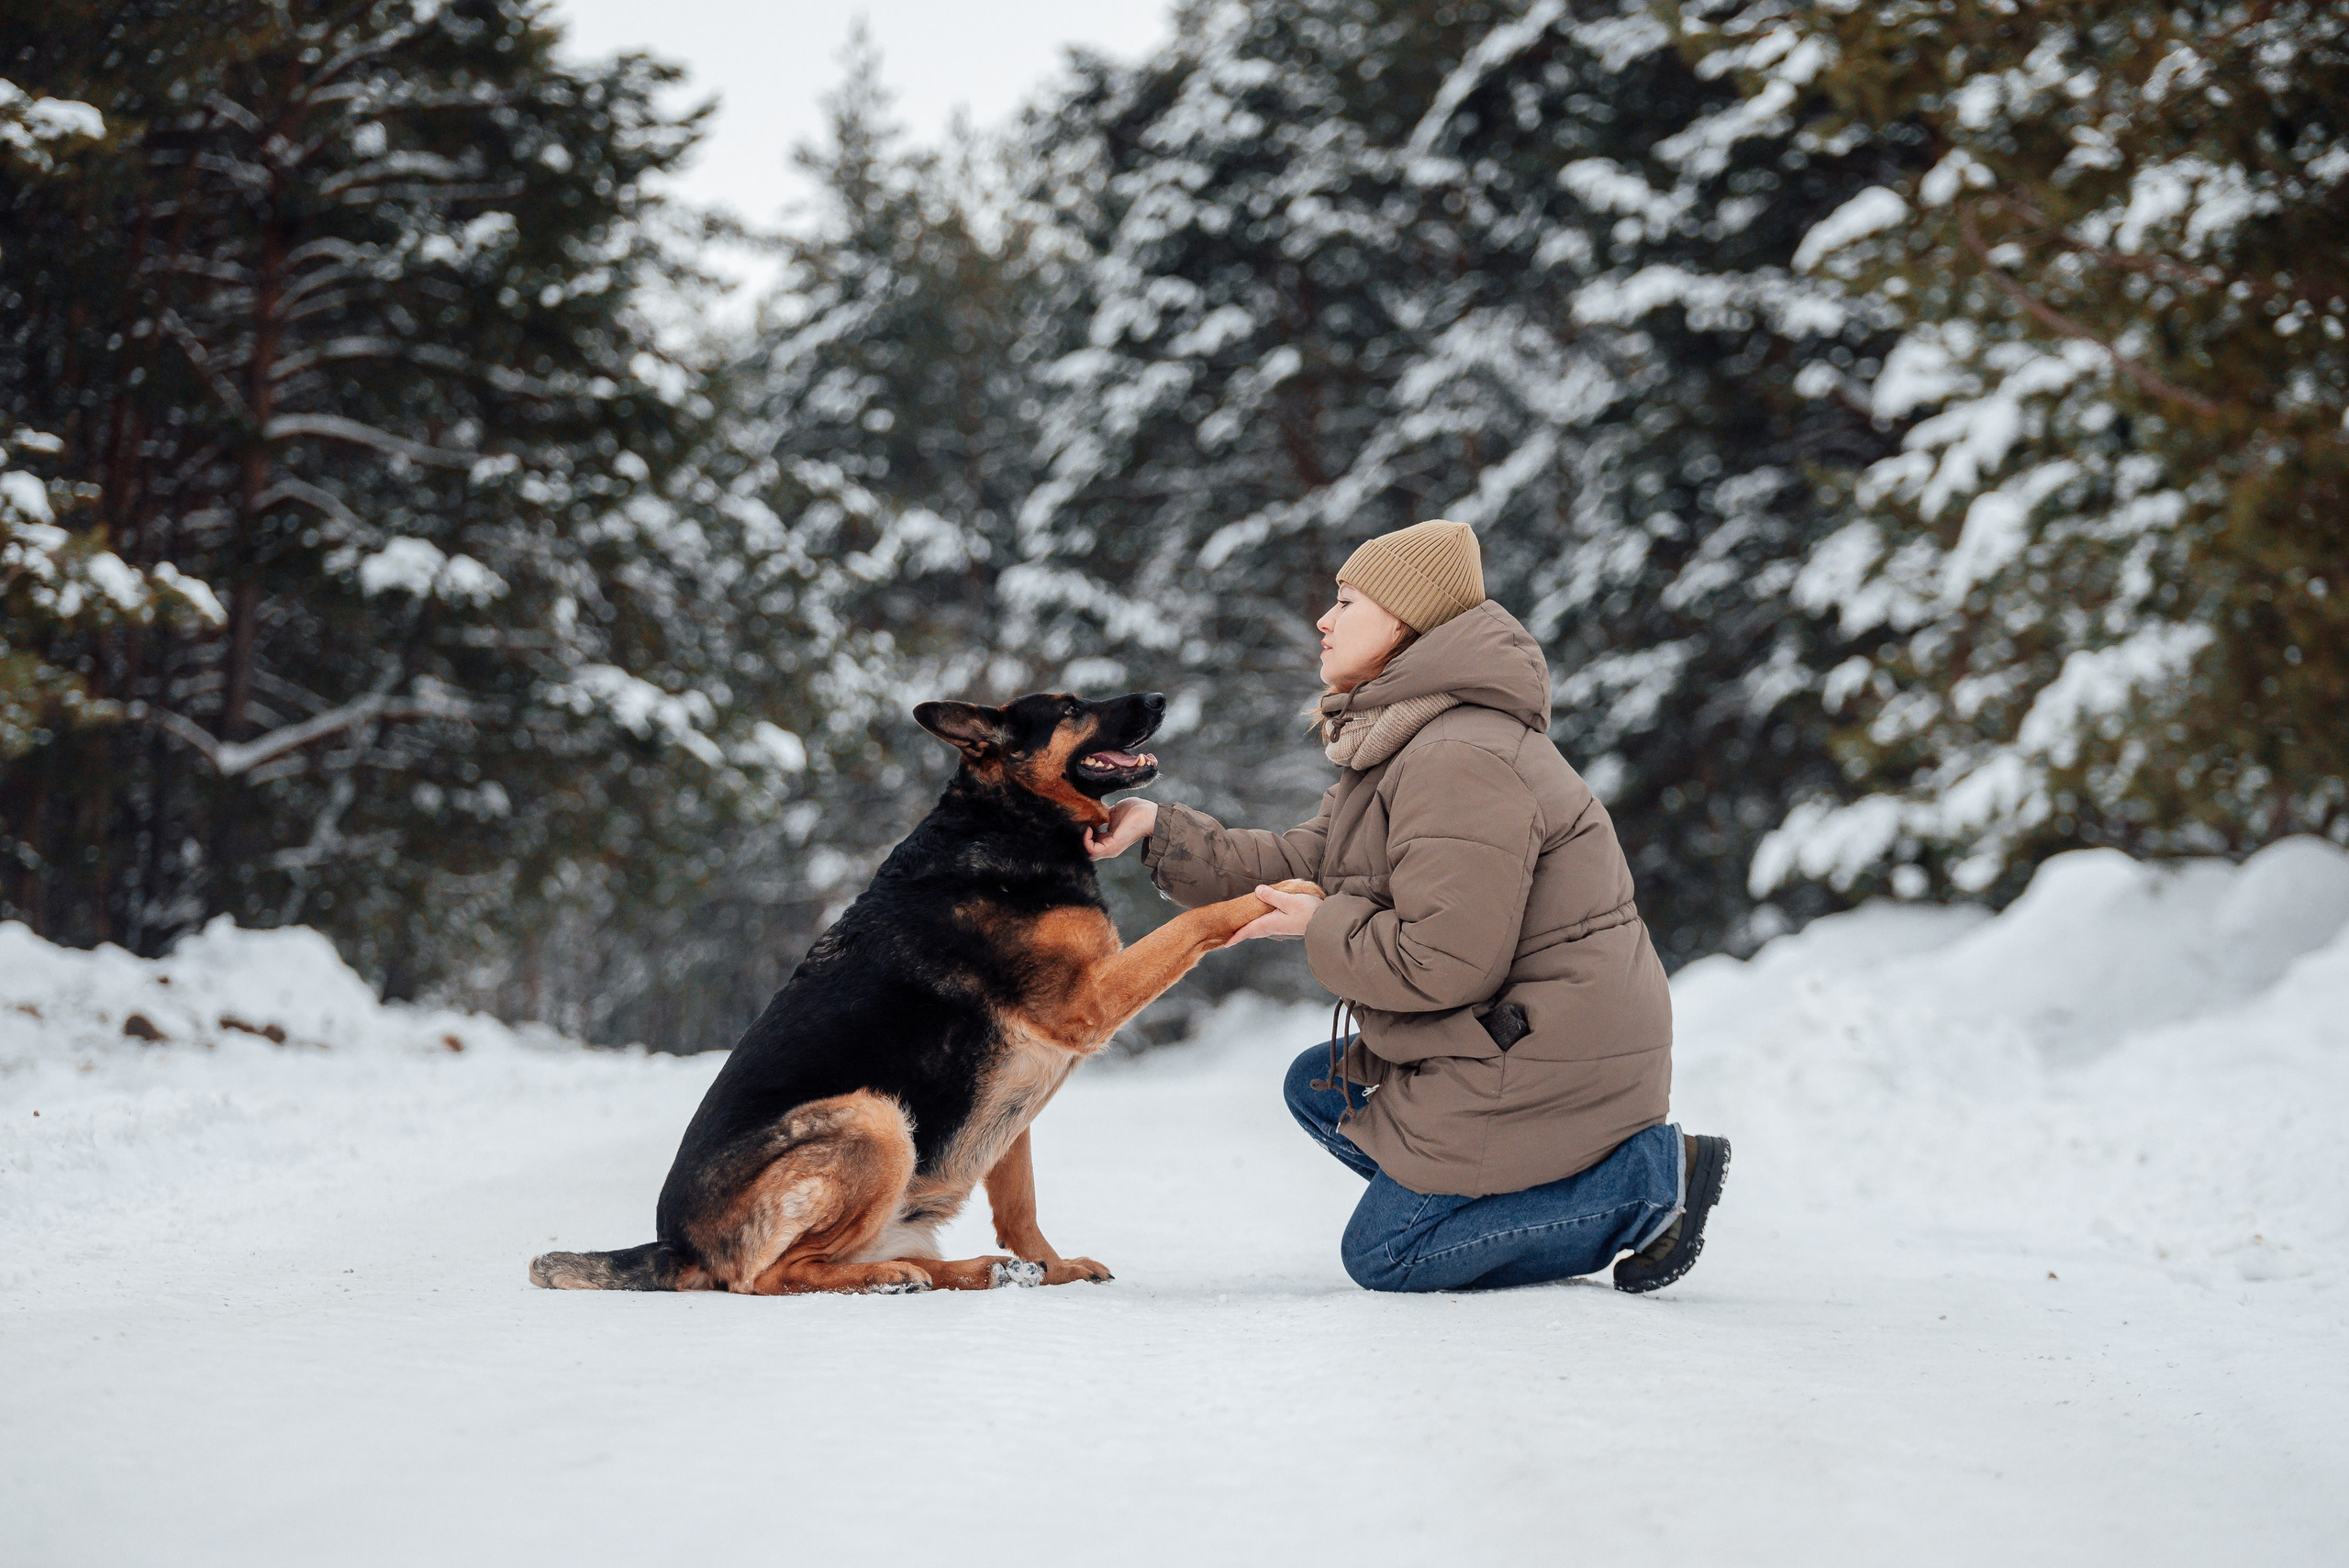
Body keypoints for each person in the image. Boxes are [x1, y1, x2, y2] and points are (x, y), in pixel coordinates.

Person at [1085, 520, 1729, 1293]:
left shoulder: (1457, 756)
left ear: (1403, 621)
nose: (1325, 620)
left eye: (1346, 601)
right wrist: (1163, 832)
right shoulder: (1406, 740)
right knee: (1318, 1085)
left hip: (1547, 1052)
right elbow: (1302, 863)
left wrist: (1321, 923)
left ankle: (1643, 1186)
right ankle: (1499, 1203)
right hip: (1511, 1035)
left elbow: (1442, 961)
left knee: (1387, 1255)